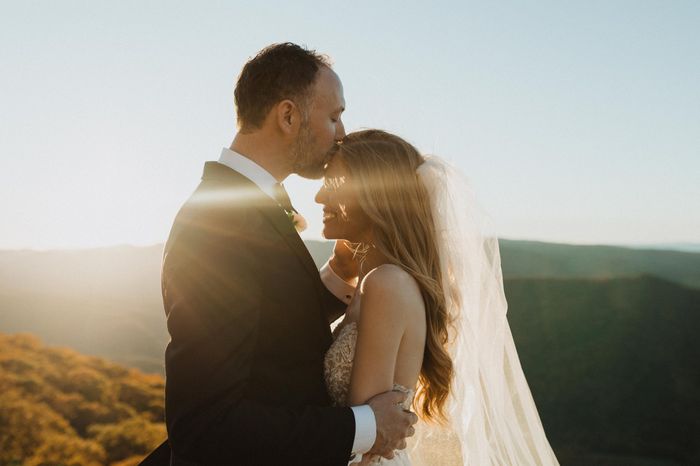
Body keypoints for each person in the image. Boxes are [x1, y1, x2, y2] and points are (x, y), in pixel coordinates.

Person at [140, 44, 416, 466]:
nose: (341, 132)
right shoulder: (217, 225)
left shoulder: (244, 206)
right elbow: (205, 425)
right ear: (288, 116)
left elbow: (267, 329)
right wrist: (365, 426)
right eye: (334, 116)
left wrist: (339, 273)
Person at [318, 129, 560, 465]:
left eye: (333, 185)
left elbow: (364, 446)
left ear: (374, 193)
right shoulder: (373, 279)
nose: (318, 197)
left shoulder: (385, 284)